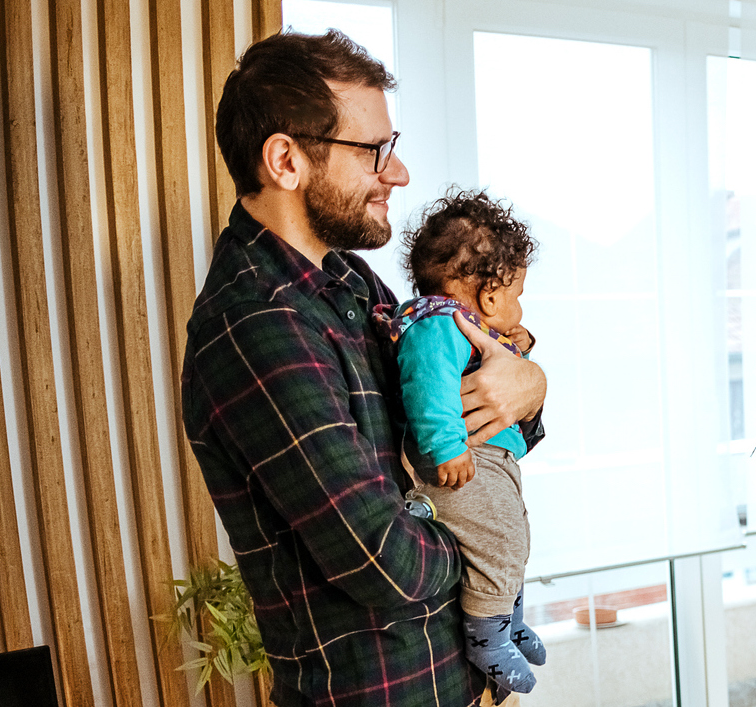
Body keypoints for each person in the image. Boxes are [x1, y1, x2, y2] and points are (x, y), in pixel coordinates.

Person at [180, 31, 545, 707]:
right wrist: (493, 540)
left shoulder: (351, 281)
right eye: (373, 150)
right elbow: (384, 559)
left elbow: (453, 397)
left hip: (464, 684)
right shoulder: (256, 326)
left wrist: (529, 385)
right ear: (286, 160)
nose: (398, 173)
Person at [391, 189, 549, 694]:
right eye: (516, 293)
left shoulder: (466, 327)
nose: (520, 305)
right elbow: (429, 387)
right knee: (499, 536)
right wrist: (446, 448)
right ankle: (486, 633)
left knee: (512, 534)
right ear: (488, 295)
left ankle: (505, 618)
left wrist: (519, 348)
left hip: (490, 459)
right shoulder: (439, 326)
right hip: (462, 463)